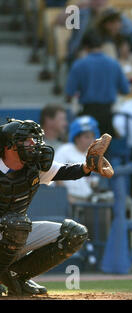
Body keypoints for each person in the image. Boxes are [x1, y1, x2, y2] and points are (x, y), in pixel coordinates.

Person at [0, 118, 113, 296]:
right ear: (8, 147)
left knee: (75, 234)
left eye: (34, 139)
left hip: (14, 231)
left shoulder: (33, 166)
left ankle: (16, 276)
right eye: (26, 140)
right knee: (15, 225)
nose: (33, 144)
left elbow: (68, 171)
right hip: (9, 230)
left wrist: (88, 166)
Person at [65, 30, 130, 137]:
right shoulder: (114, 64)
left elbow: (69, 94)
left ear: (85, 47)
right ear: (102, 46)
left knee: (87, 149)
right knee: (104, 150)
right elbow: (125, 90)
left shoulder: (79, 65)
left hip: (87, 113)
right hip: (108, 114)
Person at [66, 0, 132, 66]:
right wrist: (78, 6)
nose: (99, 2)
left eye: (118, 22)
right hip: (86, 58)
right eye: (112, 22)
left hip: (113, 63)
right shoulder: (82, 15)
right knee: (108, 48)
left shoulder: (116, 19)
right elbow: (59, 21)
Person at [54, 116, 100, 203]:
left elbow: (94, 184)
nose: (90, 140)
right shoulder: (65, 150)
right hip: (66, 199)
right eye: (86, 137)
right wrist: (66, 198)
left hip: (87, 201)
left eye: (92, 137)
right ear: (76, 138)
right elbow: (55, 175)